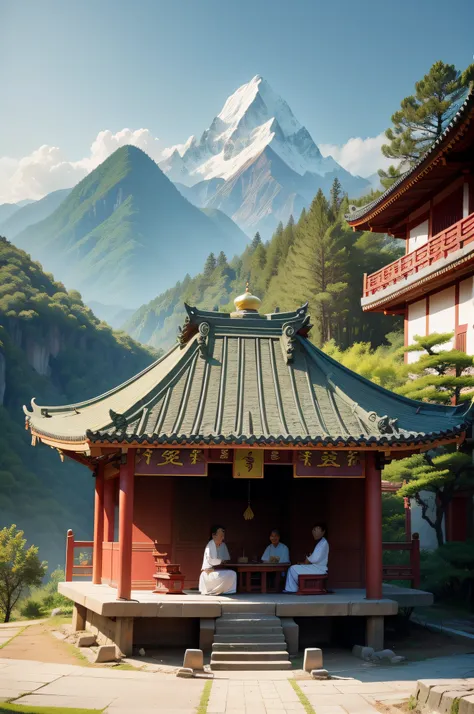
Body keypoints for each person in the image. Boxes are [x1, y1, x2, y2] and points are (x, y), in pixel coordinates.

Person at [284, 523, 329, 593]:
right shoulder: (321, 542)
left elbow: (315, 559)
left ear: (323, 532)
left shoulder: (324, 543)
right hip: (315, 567)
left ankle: (292, 589)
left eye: (317, 530)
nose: (314, 532)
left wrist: (308, 559)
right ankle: (294, 589)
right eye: (313, 530)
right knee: (293, 568)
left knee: (292, 568)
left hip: (319, 568)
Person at [199, 525, 237, 596]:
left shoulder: (223, 545)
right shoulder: (211, 544)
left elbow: (226, 559)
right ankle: (216, 591)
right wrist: (221, 561)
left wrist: (223, 562)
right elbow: (212, 561)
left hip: (219, 569)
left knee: (232, 573)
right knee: (231, 574)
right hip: (209, 571)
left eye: (223, 536)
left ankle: (226, 590)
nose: (223, 538)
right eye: (221, 536)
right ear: (213, 535)